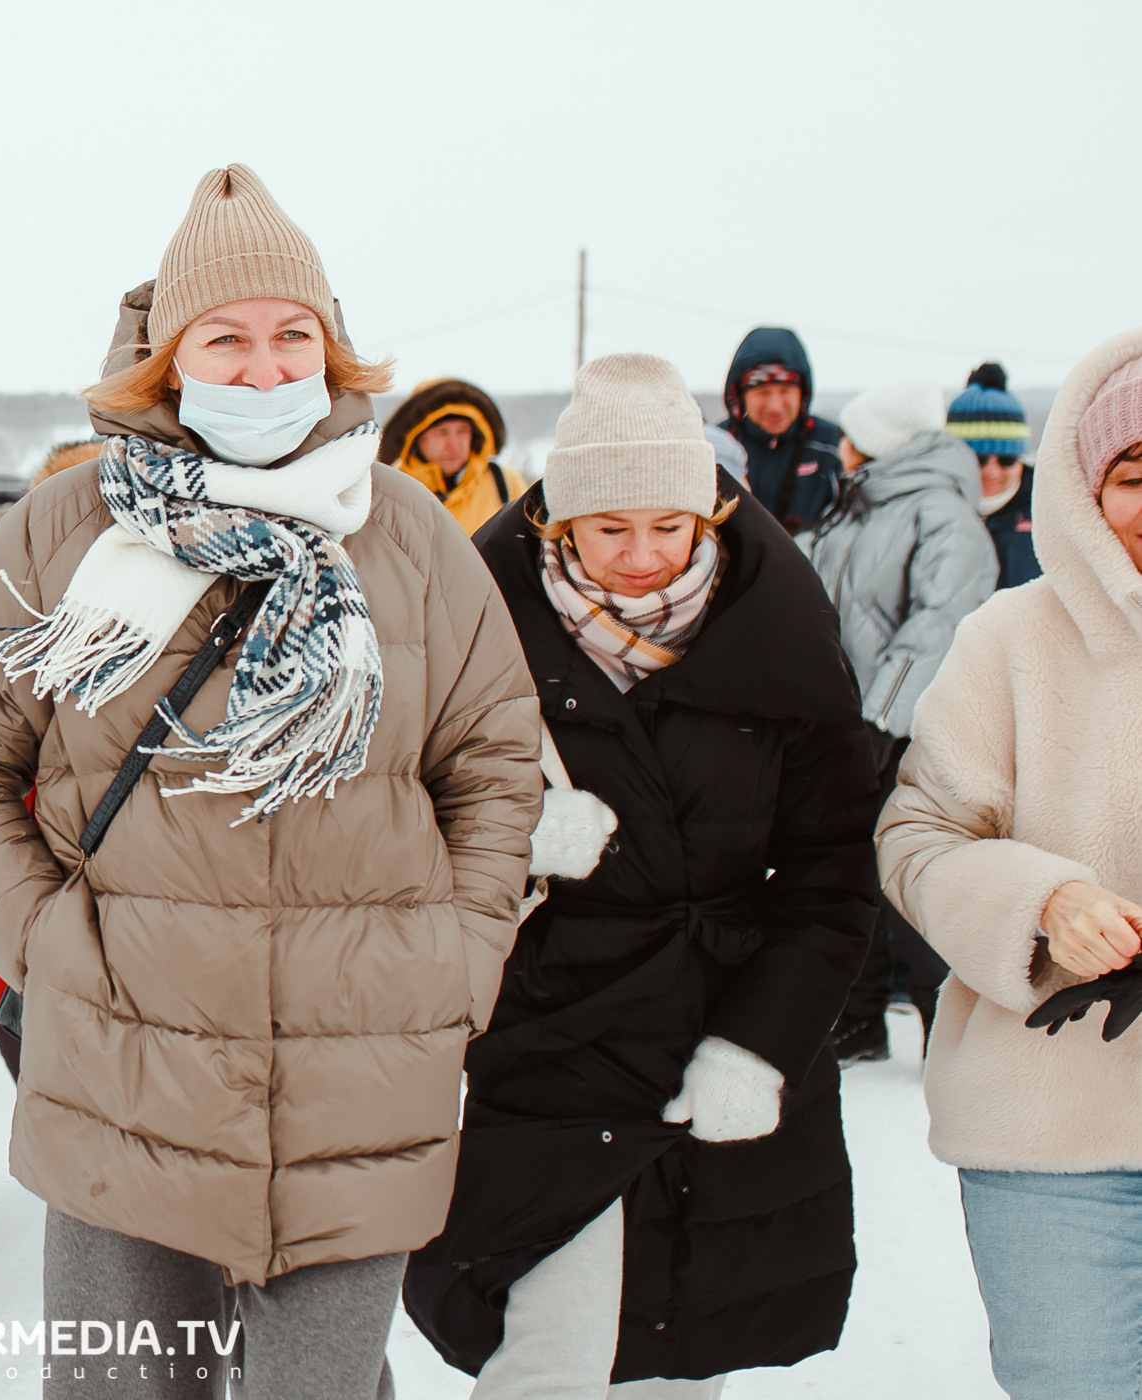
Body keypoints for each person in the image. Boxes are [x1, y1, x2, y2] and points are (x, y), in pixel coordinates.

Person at [0, 163, 543, 1400]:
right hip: (125, 1065)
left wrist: (460, 950)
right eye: (228, 337)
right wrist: (45, 941)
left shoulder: (410, 535)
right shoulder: (64, 526)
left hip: (362, 1067)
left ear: (332, 348)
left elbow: (497, 759)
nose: (263, 367)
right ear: (171, 359)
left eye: (291, 334)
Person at [402, 353, 878, 1398]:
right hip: (551, 1036)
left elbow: (831, 870)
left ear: (709, 513)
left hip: (724, 1022)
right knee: (551, 1357)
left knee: (678, 1351)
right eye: (609, 529)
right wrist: (510, 829)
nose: (643, 557)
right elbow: (393, 815)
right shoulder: (479, 629)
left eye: (669, 527)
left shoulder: (784, 634)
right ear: (557, 523)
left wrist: (759, 1045)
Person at [875, 327, 1142, 1400]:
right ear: (1083, 486)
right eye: (1134, 472)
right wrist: (1044, 902)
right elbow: (918, 838)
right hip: (1052, 1136)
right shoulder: (1008, 639)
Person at [803, 383, 998, 1062]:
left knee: (913, 877)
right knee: (846, 873)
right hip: (846, 728)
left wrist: (880, 720)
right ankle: (854, 1021)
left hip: (906, 729)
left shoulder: (943, 517)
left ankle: (948, 1030)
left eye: (853, 434)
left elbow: (937, 626)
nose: (840, 444)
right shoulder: (856, 508)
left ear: (880, 441)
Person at [718, 327, 844, 534]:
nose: (775, 407)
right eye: (763, 392)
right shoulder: (718, 446)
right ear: (739, 395)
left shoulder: (832, 445)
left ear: (802, 392)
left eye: (786, 391)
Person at [380, 377, 527, 535]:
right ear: (417, 438)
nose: (454, 445)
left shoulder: (505, 483)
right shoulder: (389, 491)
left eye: (462, 431)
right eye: (442, 432)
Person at [948, 362, 1043, 589]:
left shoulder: (1049, 511)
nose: (992, 471)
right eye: (978, 460)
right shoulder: (931, 510)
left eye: (1006, 459)